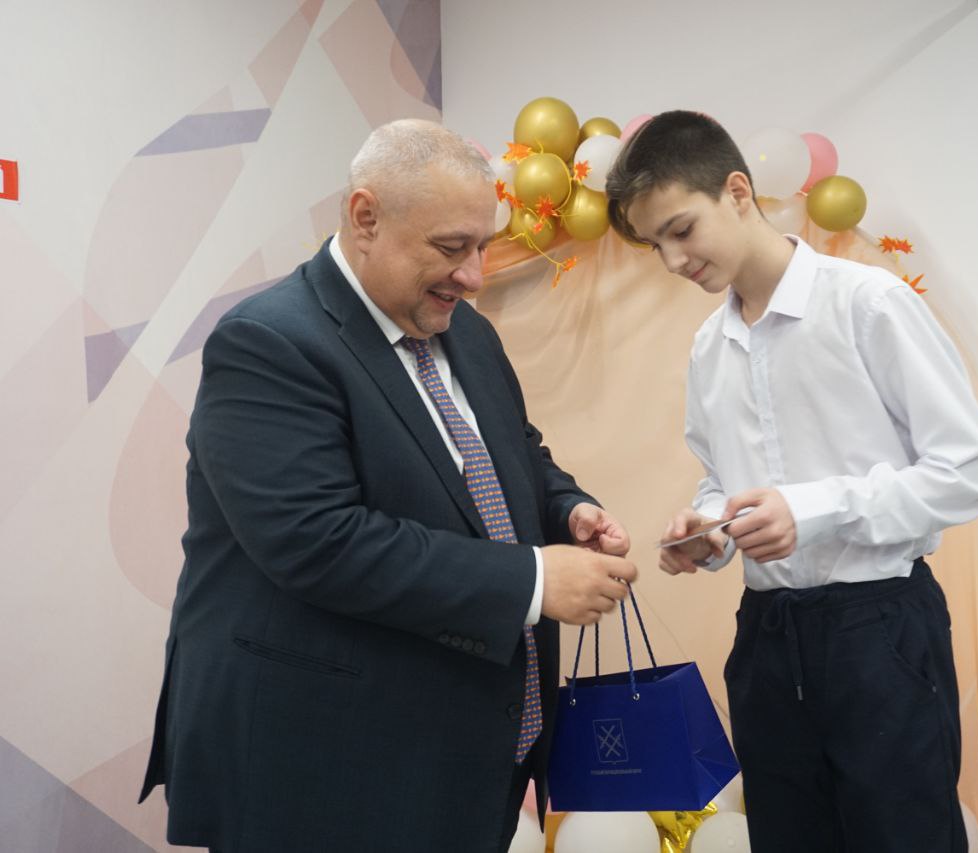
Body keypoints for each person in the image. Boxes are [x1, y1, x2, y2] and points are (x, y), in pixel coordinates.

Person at [138, 119, 638, 852]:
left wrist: (568, 509)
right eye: (451, 247)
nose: (474, 275)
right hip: (325, 765)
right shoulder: (268, 343)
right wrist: (534, 579)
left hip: (462, 756)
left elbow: (515, 453)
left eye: (482, 245)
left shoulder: (466, 332)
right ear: (365, 217)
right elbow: (316, 541)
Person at [606, 110, 978, 851]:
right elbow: (721, 479)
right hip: (766, 637)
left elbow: (973, 468)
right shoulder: (708, 346)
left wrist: (815, 508)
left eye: (681, 229)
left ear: (737, 191)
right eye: (655, 244)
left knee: (904, 839)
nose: (672, 260)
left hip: (880, 630)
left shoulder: (868, 303)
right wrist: (709, 531)